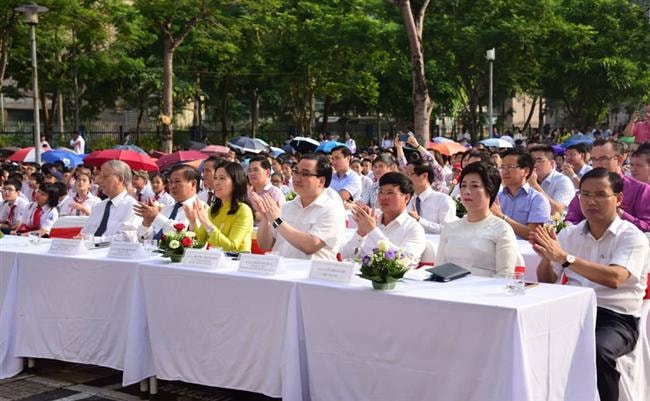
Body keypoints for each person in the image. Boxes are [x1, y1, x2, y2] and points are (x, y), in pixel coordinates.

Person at [533, 168, 649, 401]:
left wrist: (565, 258)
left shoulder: (632, 237)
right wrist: (548, 256)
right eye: (584, 195)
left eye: (600, 194)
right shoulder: (570, 234)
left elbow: (615, 278)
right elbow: (546, 280)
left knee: (597, 350)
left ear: (618, 198)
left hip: (615, 318)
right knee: (531, 340)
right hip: (572, 310)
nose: (591, 201)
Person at [252, 153, 346, 260]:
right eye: (296, 172)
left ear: (321, 181)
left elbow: (311, 245)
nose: (297, 178)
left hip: (311, 274)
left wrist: (277, 221)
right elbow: (265, 245)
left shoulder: (332, 210)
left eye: (305, 174)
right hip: (280, 273)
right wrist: (265, 219)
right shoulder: (286, 207)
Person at [437, 162, 520, 277]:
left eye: (475, 186)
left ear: (490, 191)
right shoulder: (450, 227)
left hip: (485, 292)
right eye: (463, 185)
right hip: (448, 291)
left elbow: (505, 276)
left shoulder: (502, 229)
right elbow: (439, 269)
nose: (466, 191)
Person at [341, 172, 425, 266]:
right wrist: (360, 233)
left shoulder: (414, 229)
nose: (383, 197)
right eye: (380, 192)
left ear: (406, 197)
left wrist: (373, 231)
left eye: (390, 193)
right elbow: (345, 257)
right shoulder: (371, 218)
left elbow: (403, 260)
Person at [565, 139, 650, 232]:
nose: (597, 164)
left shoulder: (641, 189)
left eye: (603, 158)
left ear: (620, 160)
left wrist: (620, 213)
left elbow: (647, 227)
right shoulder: (586, 187)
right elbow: (570, 221)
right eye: (594, 159)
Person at [186, 162, 253, 252]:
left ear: (236, 182)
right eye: (215, 178)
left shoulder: (244, 210)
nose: (216, 183)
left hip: (235, 263)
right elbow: (200, 242)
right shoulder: (213, 209)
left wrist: (207, 224)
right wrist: (193, 222)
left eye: (222, 178)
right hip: (213, 261)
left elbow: (231, 247)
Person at [491, 148, 551, 239]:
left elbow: (534, 233)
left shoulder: (537, 199)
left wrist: (502, 217)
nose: (505, 171)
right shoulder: (497, 197)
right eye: (502, 167)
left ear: (526, 171)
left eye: (510, 167)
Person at [135, 164, 205, 241]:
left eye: (177, 181)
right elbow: (145, 240)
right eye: (170, 182)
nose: (172, 186)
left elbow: (185, 238)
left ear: (193, 184)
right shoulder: (167, 208)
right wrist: (147, 223)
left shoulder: (201, 208)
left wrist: (156, 216)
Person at [80, 160, 142, 243]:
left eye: (105, 176)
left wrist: (92, 241)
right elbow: (84, 232)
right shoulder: (99, 206)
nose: (99, 181)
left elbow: (126, 238)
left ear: (120, 179)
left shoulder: (133, 207)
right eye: (100, 176)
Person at [405, 159, 457, 234]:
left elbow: (447, 230)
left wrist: (419, 220)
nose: (406, 179)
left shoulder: (443, 200)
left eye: (410, 174)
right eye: (405, 174)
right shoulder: (408, 201)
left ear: (424, 176)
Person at [528, 145, 576, 214]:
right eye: (532, 161)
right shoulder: (528, 179)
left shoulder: (563, 181)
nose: (534, 165)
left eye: (539, 161)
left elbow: (558, 211)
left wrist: (535, 186)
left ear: (552, 163)